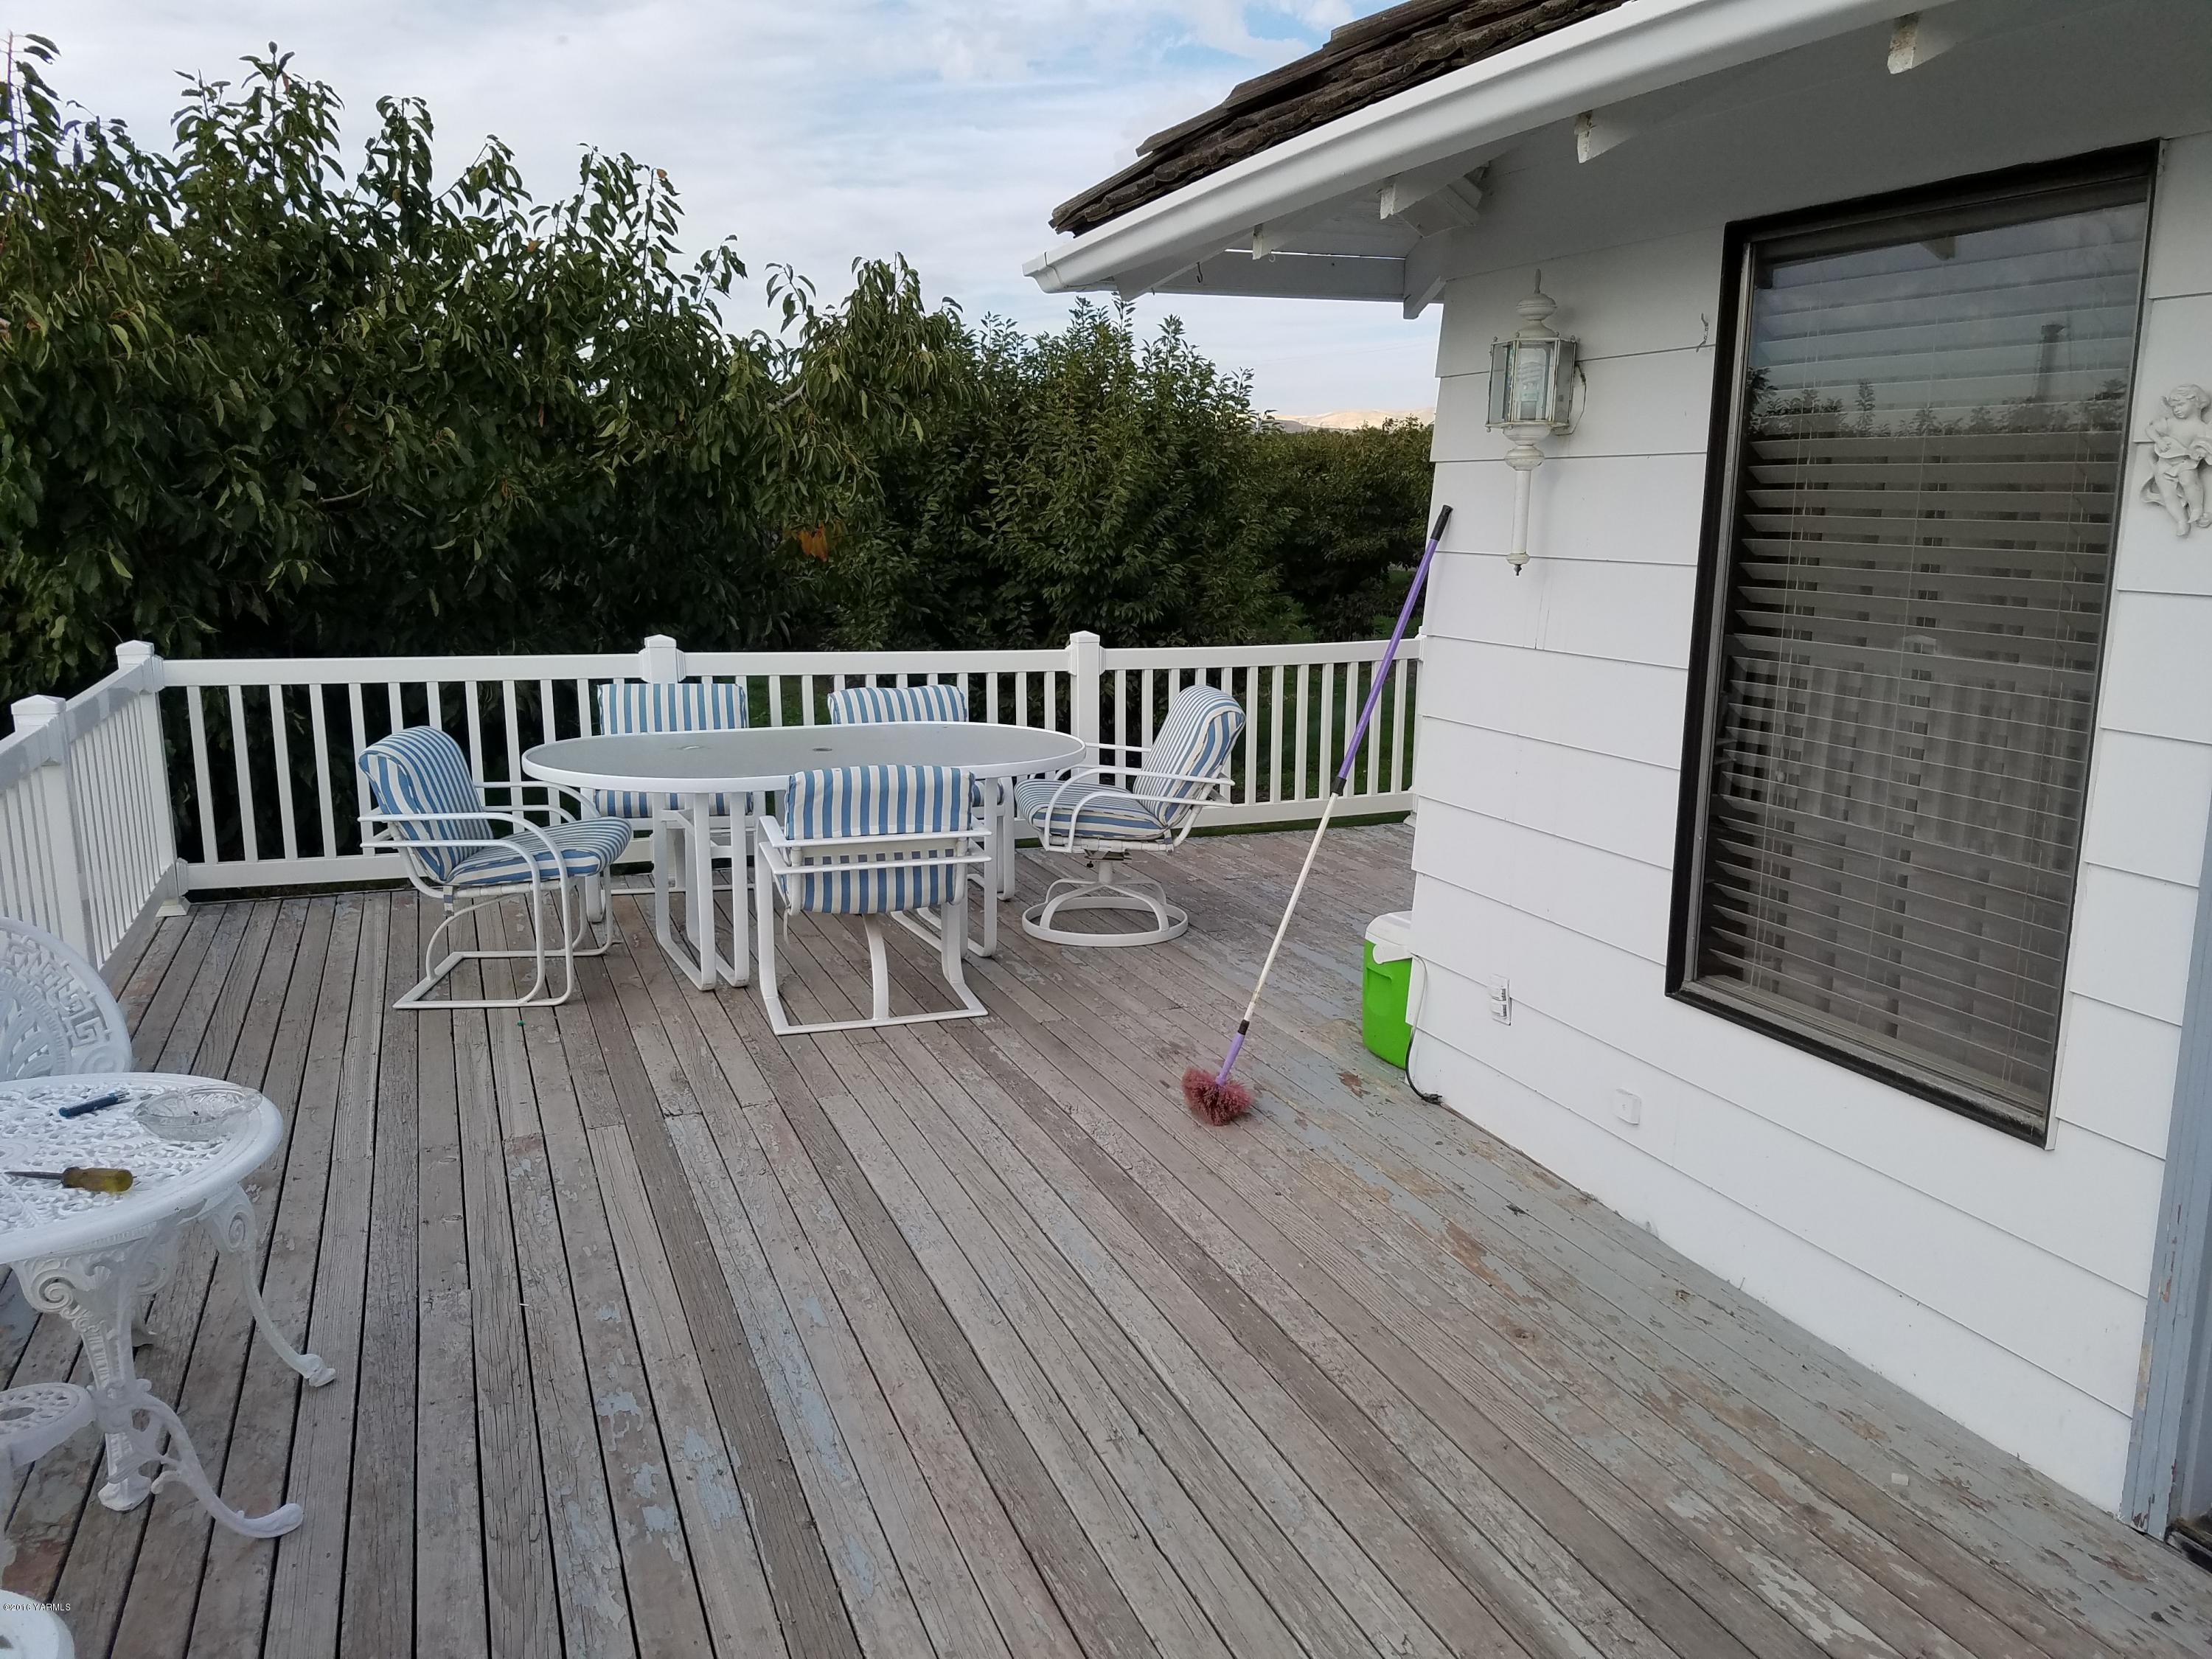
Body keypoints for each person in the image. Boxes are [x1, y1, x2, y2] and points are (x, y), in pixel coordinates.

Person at [2143, 383, 2212, 536]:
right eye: (2174, 407)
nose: (2177, 410)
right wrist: (2160, 441)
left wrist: (2199, 452)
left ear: (2196, 403)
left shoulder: (2202, 428)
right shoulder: (2170, 423)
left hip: (2185, 463)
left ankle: (2197, 509)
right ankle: (2181, 520)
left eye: (2181, 405)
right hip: (2165, 463)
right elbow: (2150, 429)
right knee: (2167, 494)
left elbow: (2205, 446)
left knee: (2189, 482)